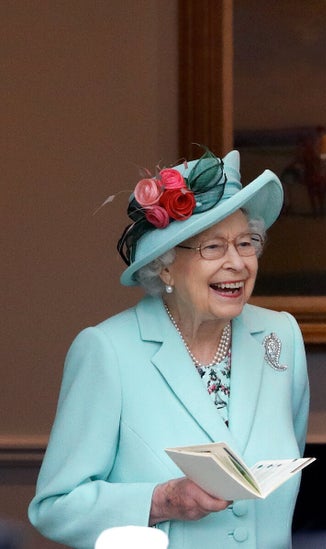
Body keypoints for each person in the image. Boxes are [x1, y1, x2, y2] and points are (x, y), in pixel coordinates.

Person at [28, 148, 310, 549]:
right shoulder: (107, 351)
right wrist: (161, 501)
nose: (238, 263)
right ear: (164, 265)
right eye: (213, 247)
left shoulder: (280, 337)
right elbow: (56, 506)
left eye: (246, 243)